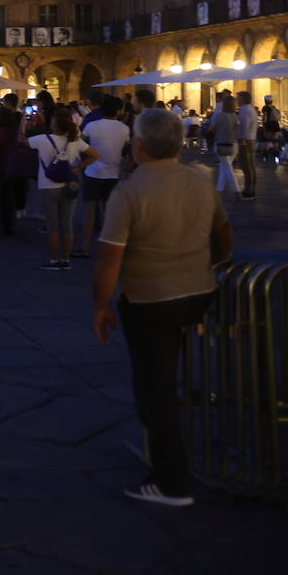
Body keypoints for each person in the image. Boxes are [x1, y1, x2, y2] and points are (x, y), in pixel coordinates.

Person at [92, 109, 232, 506]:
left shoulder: (129, 192)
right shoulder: (201, 182)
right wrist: (218, 263)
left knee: (156, 389)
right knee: (169, 380)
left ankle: (170, 481)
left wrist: (101, 305)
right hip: (199, 292)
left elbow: (108, 259)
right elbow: (224, 232)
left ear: (137, 147)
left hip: (150, 301)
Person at [25, 108, 99, 270]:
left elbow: (21, 141)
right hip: (68, 185)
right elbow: (95, 155)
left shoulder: (42, 139)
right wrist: (77, 167)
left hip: (48, 185)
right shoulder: (75, 141)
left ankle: (53, 260)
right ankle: (65, 260)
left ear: (55, 124)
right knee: (67, 225)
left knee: (52, 225)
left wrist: (24, 123)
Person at [74, 96, 130, 258]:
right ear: (119, 110)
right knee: (110, 213)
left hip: (92, 172)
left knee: (90, 213)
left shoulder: (92, 126)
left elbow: (81, 144)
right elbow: (125, 147)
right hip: (112, 173)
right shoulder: (124, 128)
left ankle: (85, 247)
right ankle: (111, 249)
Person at [210, 95, 240, 196]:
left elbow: (213, 128)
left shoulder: (220, 115)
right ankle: (218, 190)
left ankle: (236, 190)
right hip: (234, 144)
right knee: (225, 167)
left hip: (222, 143)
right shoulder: (235, 116)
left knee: (227, 168)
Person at [235, 91, 258, 199]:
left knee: (246, 165)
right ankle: (252, 187)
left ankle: (248, 190)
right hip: (251, 138)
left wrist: (242, 139)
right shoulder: (251, 109)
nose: (236, 100)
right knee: (251, 164)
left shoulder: (244, 110)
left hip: (245, 140)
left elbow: (244, 125)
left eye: (238, 98)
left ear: (243, 99)